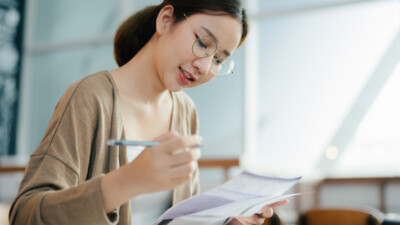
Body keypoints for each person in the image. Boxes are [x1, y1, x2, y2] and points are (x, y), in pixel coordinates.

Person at [9, 0, 287, 224]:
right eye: (203, 43)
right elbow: (25, 215)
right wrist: (127, 181)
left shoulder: (185, 112)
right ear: (165, 20)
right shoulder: (91, 97)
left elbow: (180, 219)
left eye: (218, 60)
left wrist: (229, 223)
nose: (204, 66)